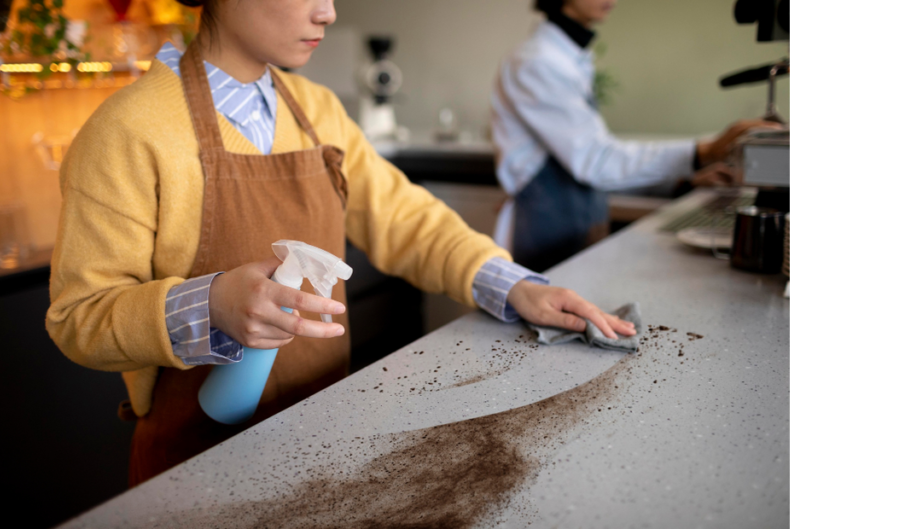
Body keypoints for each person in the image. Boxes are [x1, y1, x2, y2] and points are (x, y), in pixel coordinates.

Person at [46, 0, 636, 487]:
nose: (328, 12)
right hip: (193, 469)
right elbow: (79, 318)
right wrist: (212, 305)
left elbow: (406, 219)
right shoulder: (127, 130)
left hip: (319, 447)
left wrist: (514, 286)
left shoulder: (318, 111)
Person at [491, 0, 781, 272]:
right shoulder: (536, 62)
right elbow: (597, 162)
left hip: (578, 222)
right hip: (544, 230)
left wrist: (684, 180)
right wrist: (701, 152)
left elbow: (596, 165)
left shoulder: (570, 56)